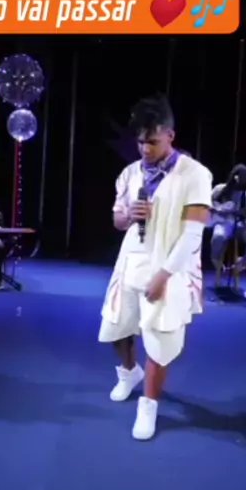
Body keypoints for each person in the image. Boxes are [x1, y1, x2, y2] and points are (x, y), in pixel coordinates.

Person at [99, 95, 212, 441]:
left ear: (170, 136)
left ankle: (148, 405)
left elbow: (193, 234)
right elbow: (117, 220)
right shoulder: (129, 173)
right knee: (116, 326)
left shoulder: (196, 174)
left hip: (169, 267)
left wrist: (164, 275)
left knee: (160, 340)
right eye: (140, 142)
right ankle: (128, 371)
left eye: (152, 141)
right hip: (130, 261)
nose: (145, 149)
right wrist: (127, 216)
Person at [210, 164, 246, 274]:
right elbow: (206, 203)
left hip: (239, 226)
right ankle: (216, 261)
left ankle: (242, 263)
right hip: (222, 223)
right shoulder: (219, 189)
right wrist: (217, 209)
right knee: (218, 236)